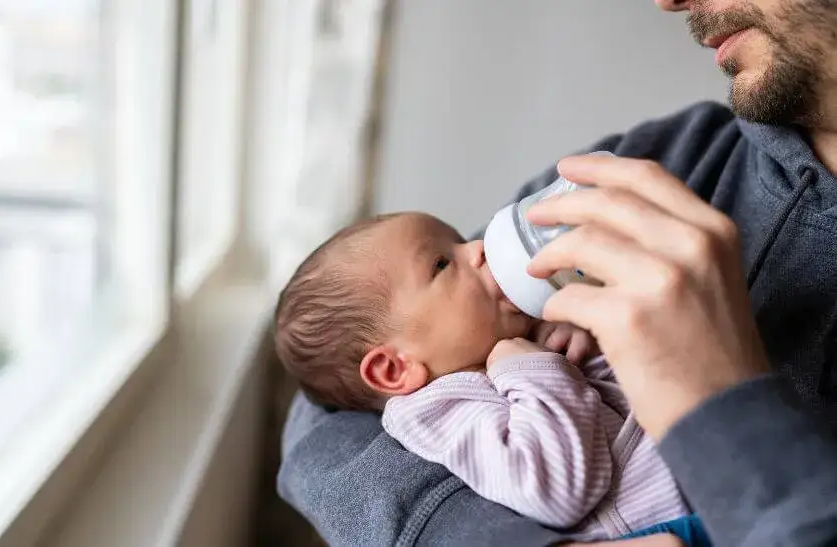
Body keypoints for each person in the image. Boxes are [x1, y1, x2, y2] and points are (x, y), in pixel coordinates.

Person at [278, 0, 837, 545]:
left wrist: (721, 403)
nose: (666, 2)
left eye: (450, 252)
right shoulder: (674, 156)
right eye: (443, 261)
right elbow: (325, 410)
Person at [274, 211, 710, 544]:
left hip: (712, 477)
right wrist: (528, 365)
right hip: (666, 525)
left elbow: (627, 392)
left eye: (461, 243)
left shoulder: (514, 343)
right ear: (395, 368)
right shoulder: (438, 410)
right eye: (443, 264)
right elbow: (555, 489)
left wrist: (582, 337)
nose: (479, 248)